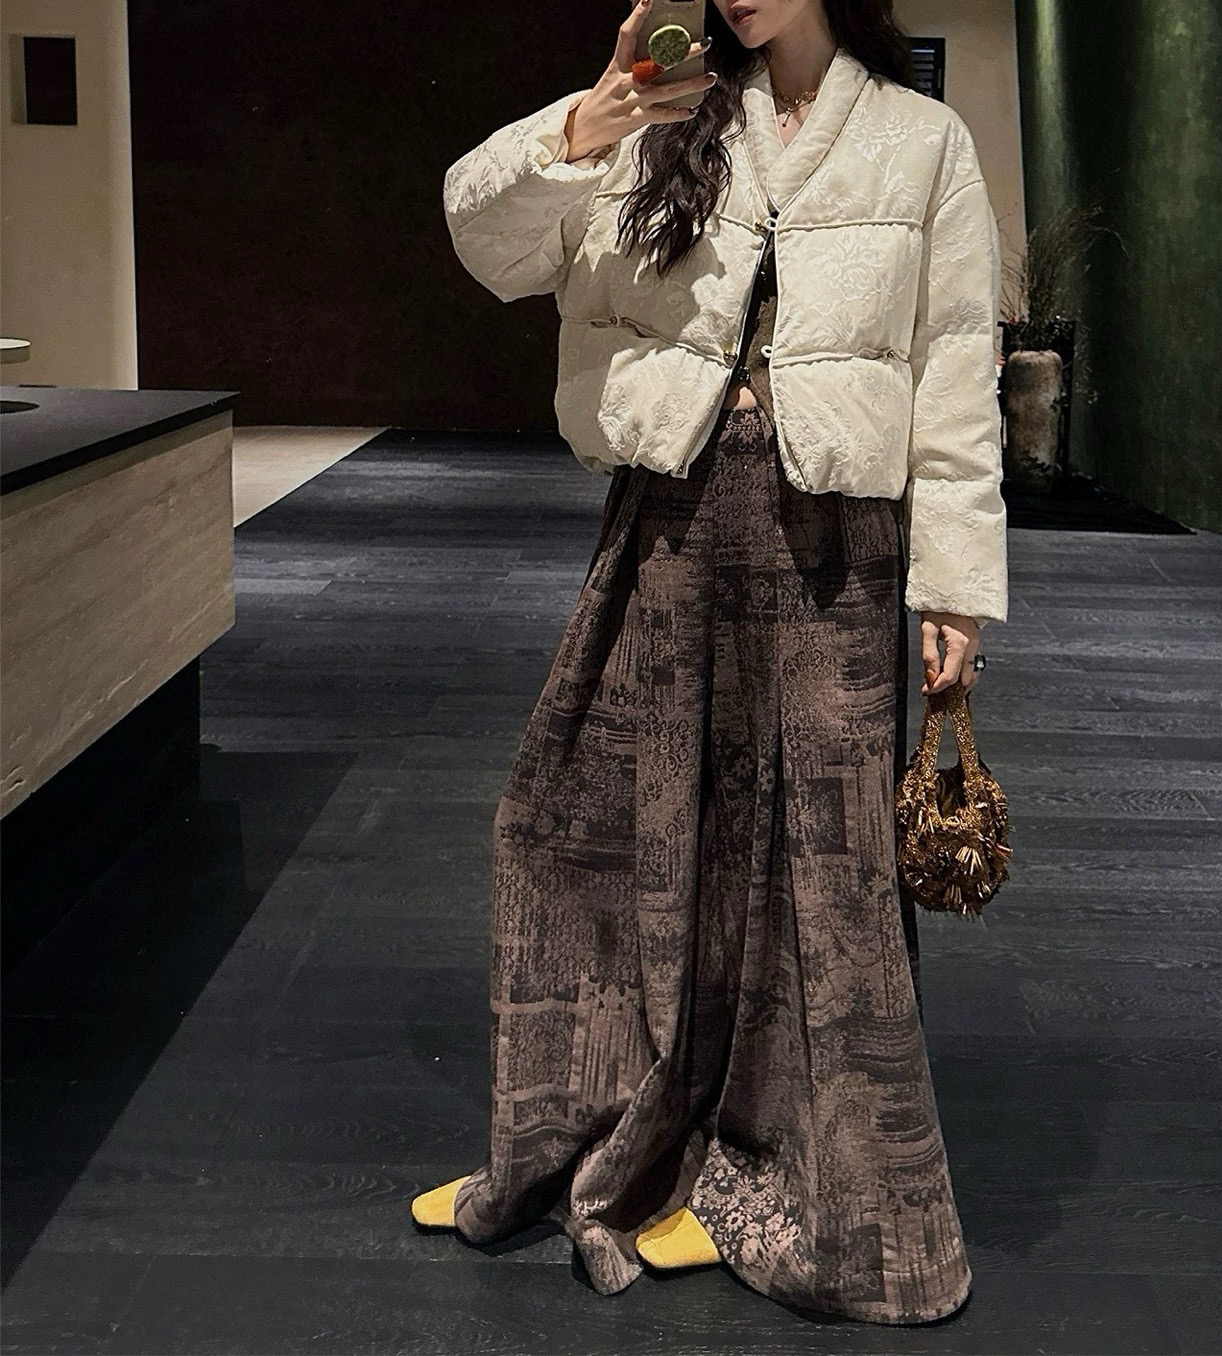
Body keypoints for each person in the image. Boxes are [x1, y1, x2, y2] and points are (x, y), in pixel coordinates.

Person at [414, 0, 1008, 1326]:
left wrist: (957, 585)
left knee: (824, 876)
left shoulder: (921, 141)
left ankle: (828, 1197)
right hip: (671, 517)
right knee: (573, 823)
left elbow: (955, 370)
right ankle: (580, 1132)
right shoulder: (664, 114)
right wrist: (588, 122)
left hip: (836, 545)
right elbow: (486, 241)